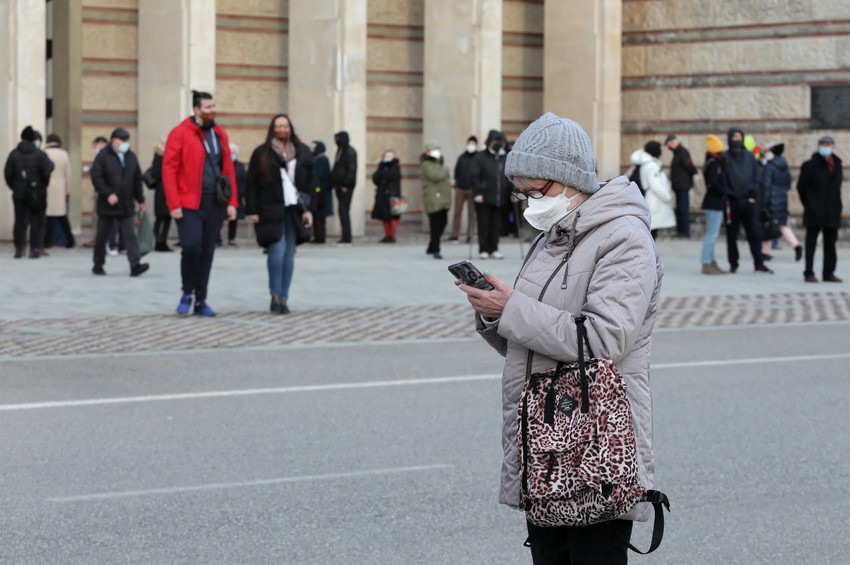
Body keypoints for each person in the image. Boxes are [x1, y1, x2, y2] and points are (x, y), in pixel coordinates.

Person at [456, 112, 661, 564]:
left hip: (595, 446)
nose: (528, 202)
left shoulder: (624, 236)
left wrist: (511, 309)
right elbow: (534, 338)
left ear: (570, 180)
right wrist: (496, 316)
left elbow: (605, 339)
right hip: (547, 443)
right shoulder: (552, 236)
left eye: (536, 191)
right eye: (521, 192)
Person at [162, 90, 238, 316]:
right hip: (188, 203)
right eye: (208, 108)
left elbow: (228, 170)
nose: (212, 111)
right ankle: (187, 292)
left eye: (214, 106)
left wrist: (232, 201)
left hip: (215, 203)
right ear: (196, 109)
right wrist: (174, 203)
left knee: (207, 252)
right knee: (192, 247)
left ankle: (201, 299)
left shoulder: (219, 133)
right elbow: (169, 169)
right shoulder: (180, 133)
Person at [245, 114, 314, 314]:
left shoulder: (303, 152)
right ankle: (275, 294)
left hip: (295, 209)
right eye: (278, 126)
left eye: (285, 126)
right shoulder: (262, 153)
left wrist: (309, 208)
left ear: (291, 128)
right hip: (270, 208)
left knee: (289, 253)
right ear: (272, 129)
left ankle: (284, 296)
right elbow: (251, 183)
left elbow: (312, 183)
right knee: (277, 250)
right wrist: (252, 209)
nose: (282, 129)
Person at [90, 128, 149, 277]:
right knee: (102, 235)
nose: (124, 144)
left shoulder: (131, 157)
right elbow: (96, 177)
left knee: (130, 235)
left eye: (126, 141)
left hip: (126, 204)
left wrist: (141, 200)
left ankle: (135, 264)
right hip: (107, 205)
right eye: (122, 141)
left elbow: (137, 180)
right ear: (114, 141)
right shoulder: (103, 156)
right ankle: (98, 264)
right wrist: (108, 193)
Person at [723, 127, 771, 274]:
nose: (737, 140)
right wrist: (728, 195)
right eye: (734, 137)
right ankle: (733, 263)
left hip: (749, 201)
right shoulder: (725, 157)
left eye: (739, 137)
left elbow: (757, 176)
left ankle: (758, 263)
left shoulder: (749, 156)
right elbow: (723, 179)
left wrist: (753, 194)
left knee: (754, 233)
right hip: (732, 202)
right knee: (732, 235)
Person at [797, 136, 843, 283]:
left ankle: (828, 272)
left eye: (828, 144)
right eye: (823, 144)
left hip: (832, 210)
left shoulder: (837, 164)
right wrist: (809, 203)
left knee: (830, 243)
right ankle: (808, 272)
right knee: (811, 243)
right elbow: (801, 187)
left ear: (833, 146)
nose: (825, 146)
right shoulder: (810, 165)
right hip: (814, 210)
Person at [4, 125, 54, 258]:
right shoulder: (40, 154)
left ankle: (19, 249)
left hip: (19, 194)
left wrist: (15, 187)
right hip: (36, 193)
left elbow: (7, 174)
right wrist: (42, 185)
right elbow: (47, 170)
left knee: (19, 222)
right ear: (33, 139)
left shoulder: (14, 154)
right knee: (35, 221)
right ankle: (34, 249)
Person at [471, 129, 509, 260]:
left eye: (499, 141)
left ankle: (494, 249)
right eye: (494, 141)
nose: (497, 144)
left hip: (499, 196)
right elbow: (475, 177)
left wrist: (514, 193)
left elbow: (509, 176)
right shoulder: (480, 157)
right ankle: (483, 249)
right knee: (484, 224)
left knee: (496, 225)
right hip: (484, 197)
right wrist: (477, 193)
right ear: (489, 142)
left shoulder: (504, 157)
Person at [760, 143, 802, 262]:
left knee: (766, 224)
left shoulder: (769, 166)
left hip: (771, 199)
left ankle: (765, 252)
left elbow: (766, 185)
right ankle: (796, 245)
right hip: (782, 198)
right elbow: (788, 183)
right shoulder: (784, 165)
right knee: (781, 224)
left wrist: (764, 202)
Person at [629, 140, 675, 239]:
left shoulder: (647, 164)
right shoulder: (651, 166)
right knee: (651, 232)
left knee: (650, 231)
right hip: (654, 200)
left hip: (651, 199)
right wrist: (667, 197)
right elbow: (655, 185)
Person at [700, 135, 728, 274]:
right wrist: (725, 192)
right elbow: (714, 183)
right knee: (711, 234)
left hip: (715, 202)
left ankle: (711, 261)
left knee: (713, 234)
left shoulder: (712, 162)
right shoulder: (713, 164)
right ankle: (706, 262)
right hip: (714, 202)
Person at [42, 134, 76, 250]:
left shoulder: (44, 153)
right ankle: (70, 240)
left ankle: (47, 242)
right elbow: (68, 175)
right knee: (62, 216)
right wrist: (68, 190)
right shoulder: (64, 154)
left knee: (48, 216)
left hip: (47, 187)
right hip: (61, 186)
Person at [420, 142, 452, 259]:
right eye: (434, 149)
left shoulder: (440, 164)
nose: (436, 151)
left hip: (443, 198)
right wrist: (446, 169)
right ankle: (436, 249)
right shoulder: (426, 165)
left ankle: (431, 246)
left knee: (443, 222)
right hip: (433, 199)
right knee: (435, 225)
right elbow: (436, 176)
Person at [142, 140, 174, 252]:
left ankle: (163, 241)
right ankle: (156, 241)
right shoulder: (159, 158)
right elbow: (157, 173)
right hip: (162, 191)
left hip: (169, 191)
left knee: (168, 217)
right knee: (161, 218)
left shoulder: (170, 158)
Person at [665, 134, 697, 238]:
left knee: (683, 209)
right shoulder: (677, 153)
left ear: (673, 142)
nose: (668, 147)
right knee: (680, 209)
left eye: (668, 144)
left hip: (683, 185)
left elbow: (689, 167)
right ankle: (681, 231)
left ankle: (685, 232)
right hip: (679, 186)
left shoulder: (682, 152)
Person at [448, 135, 478, 242]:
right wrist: (456, 181)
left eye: (473, 144)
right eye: (469, 144)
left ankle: (470, 235)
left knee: (471, 213)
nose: (471, 146)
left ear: (476, 145)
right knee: (457, 212)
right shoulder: (461, 157)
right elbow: (457, 171)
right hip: (460, 188)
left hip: (472, 189)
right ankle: (455, 233)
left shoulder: (478, 157)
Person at [83, 136, 110, 249]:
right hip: (104, 191)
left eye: (95, 145)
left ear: (101, 143)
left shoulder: (104, 155)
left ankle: (99, 240)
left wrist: (91, 170)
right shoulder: (107, 155)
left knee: (98, 218)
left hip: (103, 192)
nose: (95, 148)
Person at [371, 149, 402, 243]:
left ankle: (392, 235)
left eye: (389, 156)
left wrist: (382, 176)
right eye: (386, 156)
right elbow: (375, 177)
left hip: (393, 194)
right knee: (384, 216)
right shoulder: (381, 166)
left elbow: (389, 176)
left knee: (393, 216)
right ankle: (387, 235)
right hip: (382, 194)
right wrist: (382, 174)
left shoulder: (395, 167)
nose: (387, 158)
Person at [332, 130, 357, 244]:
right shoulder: (340, 151)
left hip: (346, 186)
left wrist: (346, 184)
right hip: (338, 185)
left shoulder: (349, 152)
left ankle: (347, 237)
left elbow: (351, 169)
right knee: (341, 211)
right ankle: (345, 236)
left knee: (344, 211)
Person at [310, 140, 333, 243]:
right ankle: (316, 236)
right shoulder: (315, 159)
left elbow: (319, 175)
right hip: (317, 191)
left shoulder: (323, 159)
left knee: (320, 216)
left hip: (321, 192)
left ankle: (320, 237)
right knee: (315, 215)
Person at [226, 143, 247, 246]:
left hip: (237, 195)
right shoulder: (222, 164)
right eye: (230, 153)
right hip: (224, 196)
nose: (232, 155)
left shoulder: (240, 166)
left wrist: (242, 193)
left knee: (234, 219)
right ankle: (216, 238)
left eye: (234, 153)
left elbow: (244, 180)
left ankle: (231, 238)